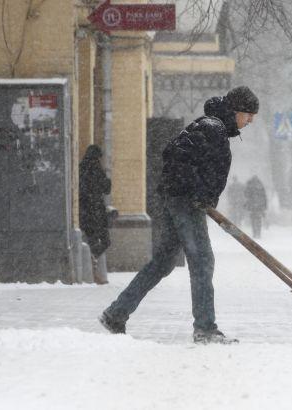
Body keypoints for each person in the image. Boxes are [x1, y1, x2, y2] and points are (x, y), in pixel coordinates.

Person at [99, 86, 259, 344]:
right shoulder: (212, 128)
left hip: (180, 199)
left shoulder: (210, 127)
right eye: (248, 114)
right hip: (186, 203)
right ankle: (205, 328)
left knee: (163, 262)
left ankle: (116, 314)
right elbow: (177, 157)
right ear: (236, 110)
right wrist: (195, 192)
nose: (250, 121)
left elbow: (184, 161)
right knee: (202, 261)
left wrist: (198, 191)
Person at [79, 145, 111, 285]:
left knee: (92, 240)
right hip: (96, 210)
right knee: (104, 241)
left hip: (85, 210)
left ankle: (94, 268)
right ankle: (94, 265)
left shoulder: (81, 168)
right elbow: (106, 189)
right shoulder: (97, 169)